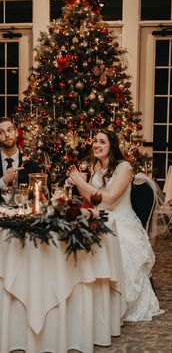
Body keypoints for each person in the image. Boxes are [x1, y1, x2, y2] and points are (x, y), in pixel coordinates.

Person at [67, 128, 164, 322]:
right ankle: (84, 299)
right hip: (99, 215)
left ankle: (113, 305)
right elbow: (92, 199)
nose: (97, 144)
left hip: (121, 221)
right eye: (95, 140)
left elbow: (110, 200)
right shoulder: (96, 168)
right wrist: (78, 183)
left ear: (112, 145)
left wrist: (80, 181)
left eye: (102, 141)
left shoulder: (124, 167)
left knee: (112, 245)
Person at [0, 116, 40, 210]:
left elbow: (38, 196)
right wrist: (3, 181)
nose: (7, 135)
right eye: (1, 132)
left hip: (23, 216)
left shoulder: (31, 165)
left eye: (9, 130)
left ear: (16, 133)